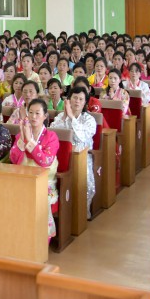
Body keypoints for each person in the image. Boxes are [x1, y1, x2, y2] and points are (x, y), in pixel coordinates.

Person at [9, 99, 60, 240]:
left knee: (40, 198)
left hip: (44, 181)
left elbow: (45, 161)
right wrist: (22, 140)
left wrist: (30, 142)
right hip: (24, 178)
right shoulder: (22, 134)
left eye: (37, 113)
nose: (33, 116)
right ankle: (18, 237)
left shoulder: (52, 137)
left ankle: (41, 241)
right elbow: (13, 158)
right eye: (30, 113)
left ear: (45, 116)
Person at [50, 86, 97, 217]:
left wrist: (72, 118)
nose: (77, 101)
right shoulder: (61, 116)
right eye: (74, 98)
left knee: (86, 184)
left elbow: (82, 136)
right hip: (61, 156)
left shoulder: (89, 120)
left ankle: (81, 214)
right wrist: (65, 117)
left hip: (82, 158)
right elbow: (52, 133)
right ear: (69, 100)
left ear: (85, 102)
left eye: (80, 99)